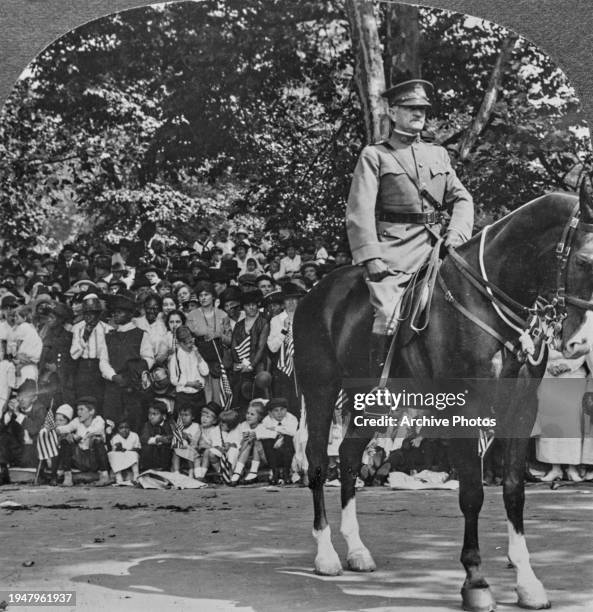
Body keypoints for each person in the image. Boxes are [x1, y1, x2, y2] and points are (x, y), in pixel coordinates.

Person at [346, 78, 474, 377]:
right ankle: (378, 388)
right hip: (394, 252)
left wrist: (456, 233)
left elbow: (462, 197)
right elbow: (359, 209)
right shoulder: (375, 155)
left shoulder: (438, 154)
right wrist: (370, 255)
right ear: (392, 112)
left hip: (438, 249)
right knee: (388, 315)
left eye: (423, 109)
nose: (419, 113)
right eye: (410, 108)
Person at [56, 396, 110, 487]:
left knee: (97, 440)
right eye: (77, 410)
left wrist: (78, 436)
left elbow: (94, 430)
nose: (78, 412)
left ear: (91, 412)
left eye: (82, 409)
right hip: (80, 459)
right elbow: (66, 428)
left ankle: (104, 476)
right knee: (66, 441)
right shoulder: (77, 421)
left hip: (94, 460)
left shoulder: (98, 420)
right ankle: (67, 477)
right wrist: (55, 429)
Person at [257, 397, 298, 485]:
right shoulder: (267, 419)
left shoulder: (291, 418)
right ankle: (274, 472)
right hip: (273, 453)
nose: (280, 413)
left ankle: (286, 473)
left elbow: (293, 432)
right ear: (270, 413)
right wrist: (275, 435)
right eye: (276, 410)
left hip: (288, 452)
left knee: (288, 438)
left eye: (282, 409)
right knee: (267, 441)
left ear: (286, 410)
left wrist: (276, 428)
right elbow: (259, 434)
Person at [107, 419, 141, 485]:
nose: (124, 430)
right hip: (120, 456)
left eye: (126, 427)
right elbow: (117, 448)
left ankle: (136, 476)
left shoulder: (134, 435)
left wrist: (127, 450)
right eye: (121, 428)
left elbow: (137, 448)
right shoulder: (116, 437)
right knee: (112, 454)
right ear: (118, 429)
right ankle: (119, 477)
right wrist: (119, 448)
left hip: (131, 455)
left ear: (130, 428)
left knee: (133, 454)